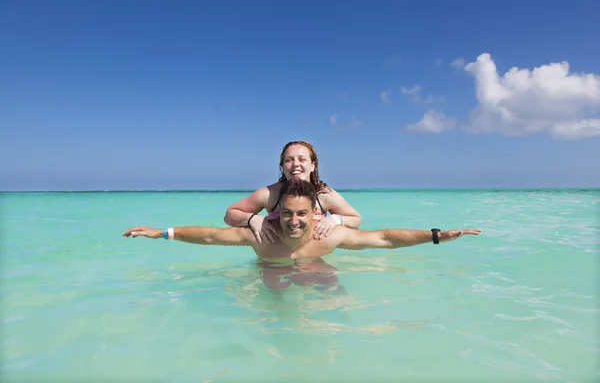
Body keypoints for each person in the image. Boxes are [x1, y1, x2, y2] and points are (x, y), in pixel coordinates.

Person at [123, 180, 482, 261]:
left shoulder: (330, 235)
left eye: (302, 215)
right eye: (288, 214)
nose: (294, 222)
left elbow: (385, 238)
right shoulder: (260, 235)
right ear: (275, 214)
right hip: (271, 270)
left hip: (318, 268)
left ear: (316, 214)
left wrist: (436, 235)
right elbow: (212, 236)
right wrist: (162, 233)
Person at [223, 140, 362, 243]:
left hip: (314, 259)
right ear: (282, 166)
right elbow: (229, 215)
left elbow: (356, 220)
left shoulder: (323, 195)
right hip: (275, 261)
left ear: (313, 165)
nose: (295, 164)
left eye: (302, 159)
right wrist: (252, 219)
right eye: (289, 160)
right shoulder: (269, 194)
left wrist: (336, 219)